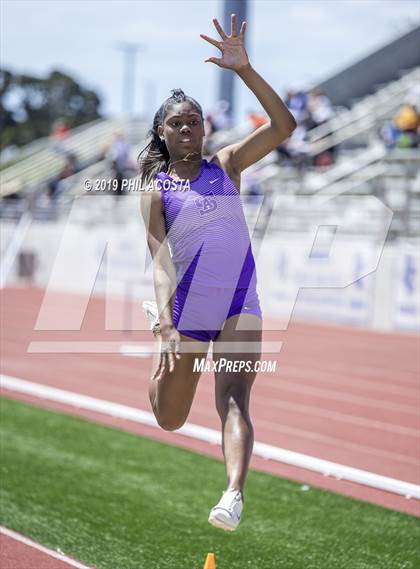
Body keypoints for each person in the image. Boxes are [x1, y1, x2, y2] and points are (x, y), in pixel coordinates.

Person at [138, 14, 296, 532]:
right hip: (187, 308)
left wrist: (246, 69)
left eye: (194, 121)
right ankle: (158, 351)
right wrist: (164, 324)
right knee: (171, 417)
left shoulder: (227, 165)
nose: (187, 129)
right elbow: (161, 261)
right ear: (162, 132)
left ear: (204, 127)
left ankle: (233, 494)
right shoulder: (156, 190)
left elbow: (284, 127)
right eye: (176, 123)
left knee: (234, 398)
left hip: (238, 302)